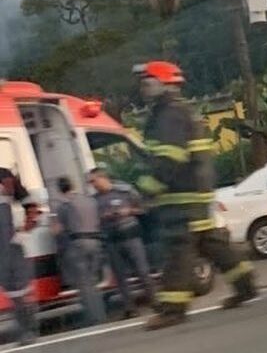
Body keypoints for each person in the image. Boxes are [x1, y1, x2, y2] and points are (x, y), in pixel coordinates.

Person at [133, 61, 256, 330]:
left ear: (163, 83)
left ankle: (173, 310)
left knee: (178, 251)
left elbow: (169, 158)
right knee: (210, 243)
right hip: (196, 193)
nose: (143, 88)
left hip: (181, 197)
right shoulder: (180, 111)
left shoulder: (168, 115)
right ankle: (245, 285)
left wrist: (146, 189)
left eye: (147, 82)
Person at [89, 167, 156, 319]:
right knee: (120, 277)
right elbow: (94, 220)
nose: (92, 184)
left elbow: (144, 208)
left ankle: (155, 301)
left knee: (142, 271)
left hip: (131, 236)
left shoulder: (125, 191)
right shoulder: (94, 200)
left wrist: (129, 211)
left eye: (94, 181)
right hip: (112, 240)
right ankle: (129, 308)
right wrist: (103, 217)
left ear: (103, 178)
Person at [53, 176, 106, 327]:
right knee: (94, 281)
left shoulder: (64, 206)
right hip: (95, 242)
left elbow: (59, 229)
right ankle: (101, 314)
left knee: (84, 284)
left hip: (77, 244)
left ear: (59, 189)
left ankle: (93, 317)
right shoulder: (90, 201)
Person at [0, 168, 37, 345]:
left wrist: (27, 229)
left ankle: (28, 331)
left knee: (20, 293)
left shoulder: (5, 178)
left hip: (12, 249)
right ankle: (25, 331)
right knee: (13, 294)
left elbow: (32, 206)